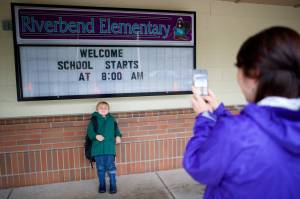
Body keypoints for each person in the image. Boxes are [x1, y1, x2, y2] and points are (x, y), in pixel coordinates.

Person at [183, 26, 300, 199]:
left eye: (238, 67)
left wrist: (204, 118)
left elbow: (198, 166)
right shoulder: (238, 130)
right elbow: (253, 131)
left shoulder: (235, 132)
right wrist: (218, 111)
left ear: (254, 72)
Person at [87, 101, 122, 194]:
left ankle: (113, 185)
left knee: (111, 168)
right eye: (101, 108)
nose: (103, 109)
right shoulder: (93, 120)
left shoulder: (112, 119)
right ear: (97, 110)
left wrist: (118, 136)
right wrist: (95, 136)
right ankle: (102, 185)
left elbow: (116, 130)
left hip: (109, 148)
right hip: (97, 149)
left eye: (105, 108)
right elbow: (90, 132)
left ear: (108, 110)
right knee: (101, 168)